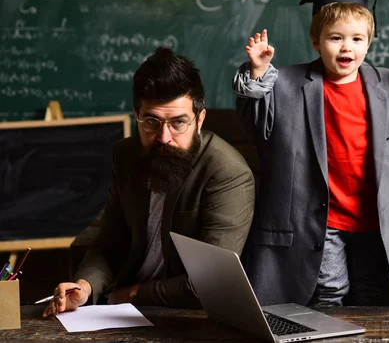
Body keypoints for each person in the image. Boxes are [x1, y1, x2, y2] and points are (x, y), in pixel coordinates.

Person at [232, 0, 389, 307]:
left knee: (372, 295)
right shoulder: (286, 84)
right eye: (335, 38)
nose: (347, 47)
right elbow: (256, 120)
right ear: (316, 41)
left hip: (374, 220)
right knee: (329, 292)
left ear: (369, 42)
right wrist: (259, 72)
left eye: (357, 39)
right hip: (320, 220)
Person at [43, 48, 255, 317]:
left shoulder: (227, 172)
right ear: (137, 116)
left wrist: (132, 294)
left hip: (190, 315)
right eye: (151, 122)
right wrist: (84, 287)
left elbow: (210, 284)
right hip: (120, 308)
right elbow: (111, 240)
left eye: (178, 122)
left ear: (199, 120)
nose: (164, 137)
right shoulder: (126, 155)